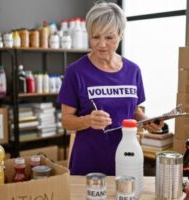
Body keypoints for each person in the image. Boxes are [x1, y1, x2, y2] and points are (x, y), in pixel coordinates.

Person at [58, 1, 164, 175]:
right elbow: (66, 119)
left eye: (109, 37)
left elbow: (134, 110)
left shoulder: (133, 71)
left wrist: (147, 120)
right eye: (95, 37)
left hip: (127, 157)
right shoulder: (75, 72)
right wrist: (87, 121)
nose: (101, 44)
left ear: (120, 35)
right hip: (88, 160)